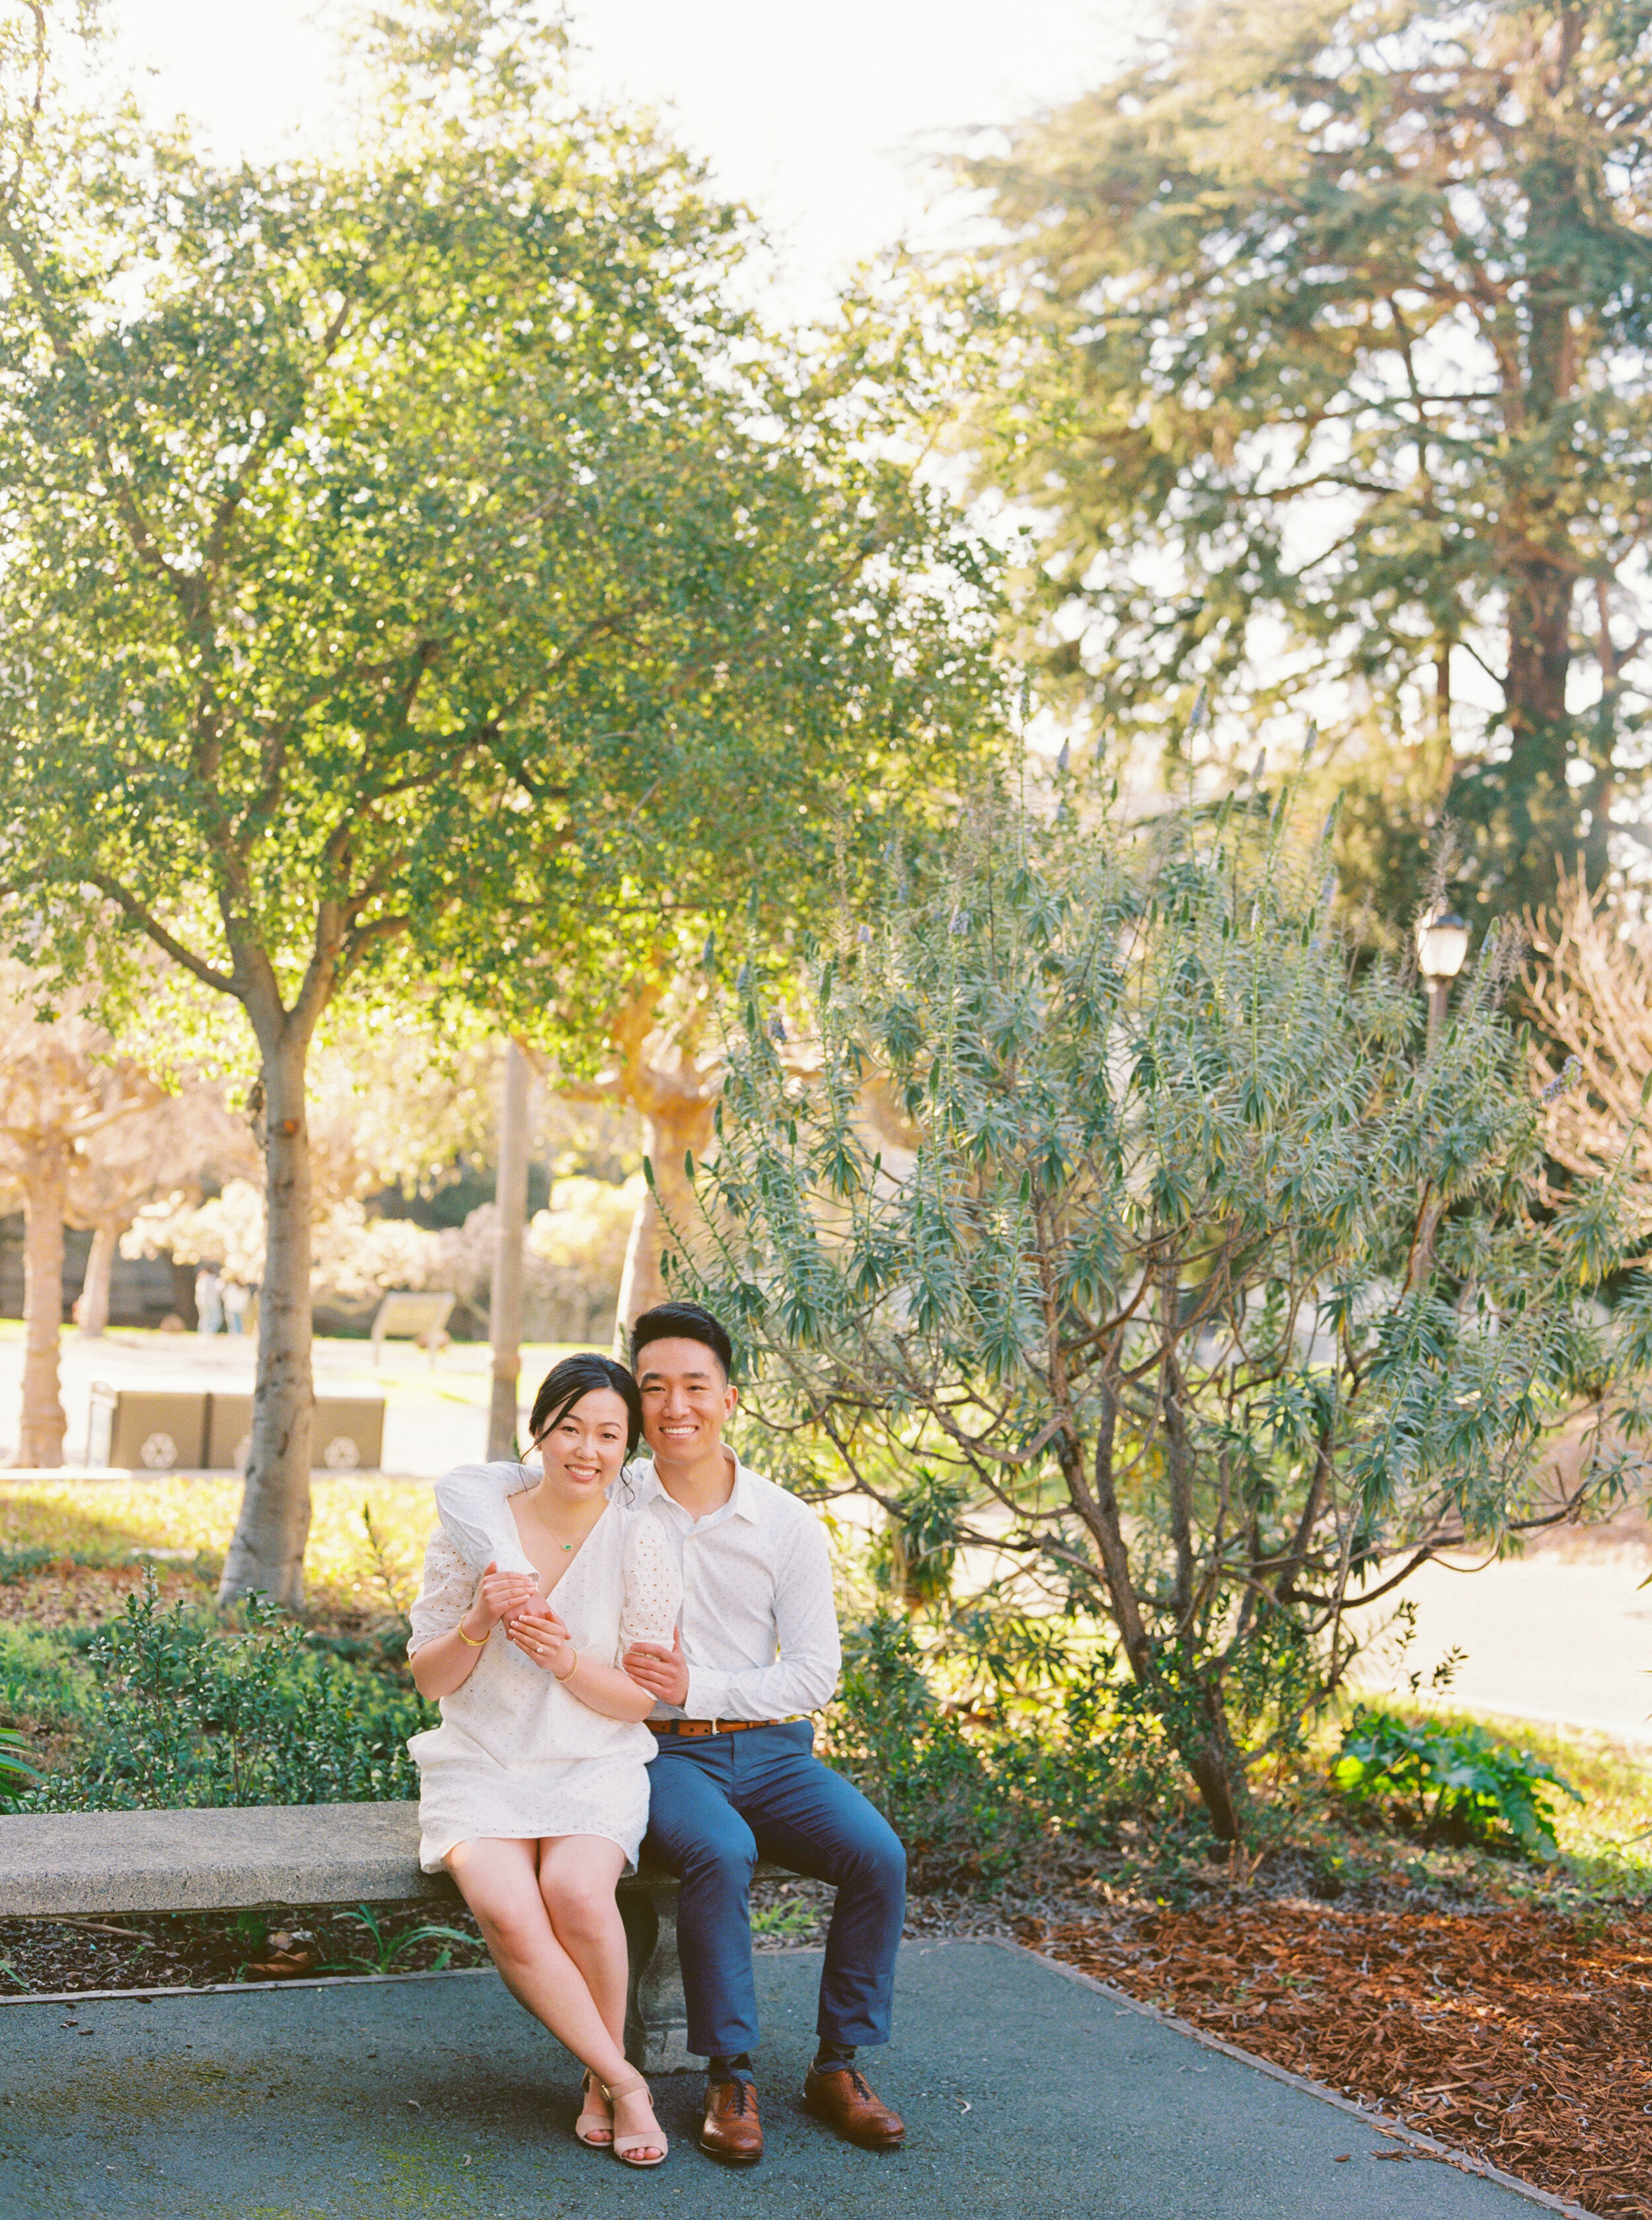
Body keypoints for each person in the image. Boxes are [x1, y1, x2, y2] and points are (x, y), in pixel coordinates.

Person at [434, 1300, 907, 2169]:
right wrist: (506, 1579)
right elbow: (468, 1485)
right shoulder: (611, 1480)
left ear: (731, 1397)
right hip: (661, 1750)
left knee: (878, 1854)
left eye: (697, 1385)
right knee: (719, 1851)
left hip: (772, 1747)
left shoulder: (785, 1523)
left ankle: (839, 2066)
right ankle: (731, 2074)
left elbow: (815, 1675)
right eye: (656, 1388)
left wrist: (704, 1683)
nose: (676, 1406)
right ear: (635, 1404)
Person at [407, 1352, 681, 2168]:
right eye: (570, 1428)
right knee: (506, 1911)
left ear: (628, 1449)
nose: (586, 1450)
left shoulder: (642, 1539)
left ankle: (599, 2083)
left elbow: (641, 1701)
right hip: (481, 1760)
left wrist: (565, 1661)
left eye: (608, 1434)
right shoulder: (474, 1532)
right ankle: (623, 2080)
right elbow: (429, 1679)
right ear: (538, 1432)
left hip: (593, 1760)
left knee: (575, 1892)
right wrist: (479, 1623)